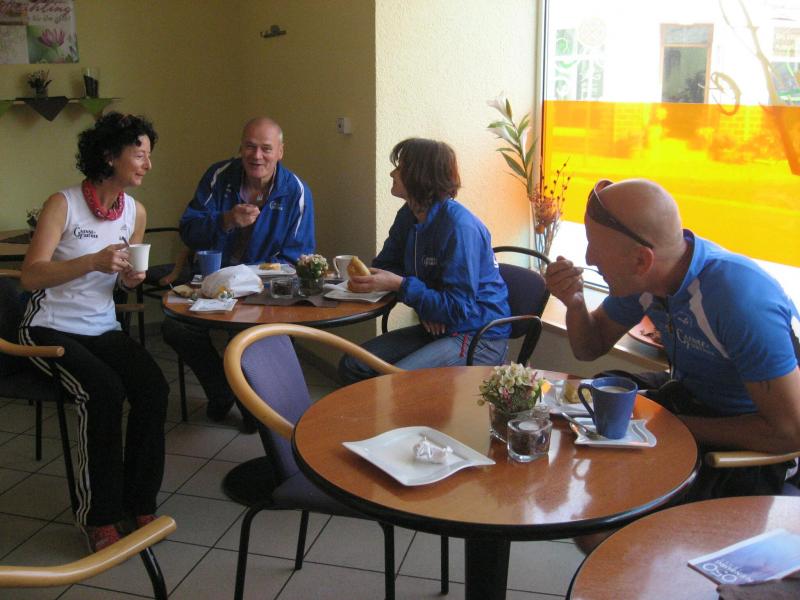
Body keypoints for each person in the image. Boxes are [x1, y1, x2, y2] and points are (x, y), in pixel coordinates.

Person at [545, 178, 800, 502]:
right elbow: (589, 347)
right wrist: (575, 303)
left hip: (753, 440)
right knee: (598, 398)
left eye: (595, 245)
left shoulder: (738, 300)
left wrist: (671, 425)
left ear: (641, 260)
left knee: (619, 501)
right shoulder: (645, 278)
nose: (588, 257)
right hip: (690, 398)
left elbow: (790, 432)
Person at [19, 112, 169, 553]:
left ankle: (139, 503)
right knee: (102, 391)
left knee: (153, 388)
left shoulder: (135, 212)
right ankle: (99, 516)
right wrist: (91, 261)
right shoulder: (62, 204)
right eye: (139, 155)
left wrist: (129, 279)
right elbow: (30, 276)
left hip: (102, 326)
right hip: (49, 326)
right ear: (109, 156)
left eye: (149, 155)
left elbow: (121, 281)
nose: (147, 164)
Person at [161, 117, 314, 428]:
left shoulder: (296, 192)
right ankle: (221, 391)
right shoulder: (218, 176)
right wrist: (226, 220)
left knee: (245, 335)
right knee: (176, 328)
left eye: (266, 149)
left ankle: (252, 404)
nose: (257, 156)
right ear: (240, 147)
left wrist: (252, 281)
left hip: (263, 291)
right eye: (250, 146)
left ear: (280, 151)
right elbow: (189, 230)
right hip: (210, 281)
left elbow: (297, 257)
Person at [338, 138, 510, 383]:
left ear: (421, 176)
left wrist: (402, 286)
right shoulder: (408, 215)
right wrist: (426, 306)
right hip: (442, 325)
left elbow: (459, 309)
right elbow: (386, 266)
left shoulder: (459, 228)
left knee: (396, 383)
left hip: (477, 336)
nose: (392, 173)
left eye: (400, 167)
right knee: (353, 364)